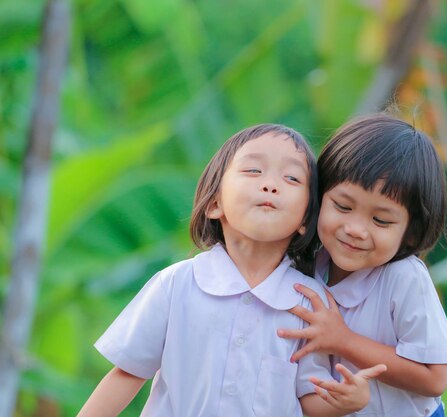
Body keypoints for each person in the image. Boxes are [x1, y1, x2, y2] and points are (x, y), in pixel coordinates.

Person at [77, 124, 386, 417]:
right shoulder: (177, 284)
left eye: (291, 178)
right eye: (253, 170)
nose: (270, 184)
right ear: (214, 204)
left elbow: (308, 400)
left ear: (306, 218)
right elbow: (127, 373)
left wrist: (346, 402)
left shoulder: (310, 302)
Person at [278, 114, 447, 417]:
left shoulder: (404, 277)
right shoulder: (305, 266)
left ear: (410, 231)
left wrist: (344, 341)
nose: (356, 229)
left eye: (381, 220)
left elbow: (435, 378)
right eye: (343, 206)